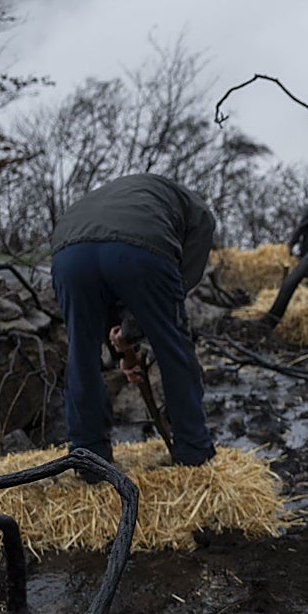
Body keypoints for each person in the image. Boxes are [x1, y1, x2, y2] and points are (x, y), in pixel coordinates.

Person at [50, 173, 217, 480]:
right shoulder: (199, 214)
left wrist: (125, 344)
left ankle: (89, 461)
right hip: (138, 250)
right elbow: (177, 285)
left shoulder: (113, 198)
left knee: (82, 353)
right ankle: (194, 453)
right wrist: (134, 331)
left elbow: (109, 293)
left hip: (69, 253)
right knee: (173, 346)